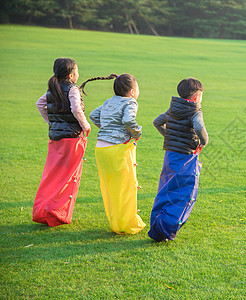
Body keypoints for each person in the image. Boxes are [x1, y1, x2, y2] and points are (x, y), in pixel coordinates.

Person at [82, 73, 146, 234]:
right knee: (125, 188)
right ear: (132, 91)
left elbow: (93, 115)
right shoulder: (131, 102)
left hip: (101, 149)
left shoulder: (108, 102)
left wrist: (106, 129)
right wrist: (136, 133)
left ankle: (116, 223)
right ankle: (126, 225)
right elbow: (128, 121)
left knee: (110, 189)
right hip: (116, 149)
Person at [148, 77, 208, 242]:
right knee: (183, 194)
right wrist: (203, 142)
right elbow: (199, 126)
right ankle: (165, 230)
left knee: (165, 190)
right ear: (196, 96)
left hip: (170, 156)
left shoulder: (172, 109)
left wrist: (169, 137)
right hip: (185, 158)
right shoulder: (195, 111)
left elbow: (157, 122)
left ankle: (156, 226)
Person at [34, 57, 91, 226]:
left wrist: (52, 123)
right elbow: (76, 109)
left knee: (52, 175)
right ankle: (57, 213)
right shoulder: (73, 89)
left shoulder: (53, 89)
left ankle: (43, 210)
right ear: (72, 74)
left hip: (55, 139)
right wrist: (85, 125)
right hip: (72, 139)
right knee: (68, 177)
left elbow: (39, 104)